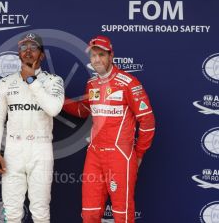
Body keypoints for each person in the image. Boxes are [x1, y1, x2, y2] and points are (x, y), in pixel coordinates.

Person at [63, 35, 155, 223]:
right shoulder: (92, 84)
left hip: (119, 155)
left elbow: (147, 121)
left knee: (122, 215)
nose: (97, 59)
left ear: (111, 55)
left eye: (101, 54)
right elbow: (84, 110)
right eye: (93, 55)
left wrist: (138, 153)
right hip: (94, 155)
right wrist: (59, 101)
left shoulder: (129, 83)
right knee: (89, 214)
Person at [0, 32, 65, 222]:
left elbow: (54, 109)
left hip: (41, 149)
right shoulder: (5, 82)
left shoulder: (53, 81)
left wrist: (32, 80)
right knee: (12, 211)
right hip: (13, 150)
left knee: (40, 210)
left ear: (42, 55)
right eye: (24, 47)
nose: (28, 51)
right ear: (19, 53)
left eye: (33, 48)